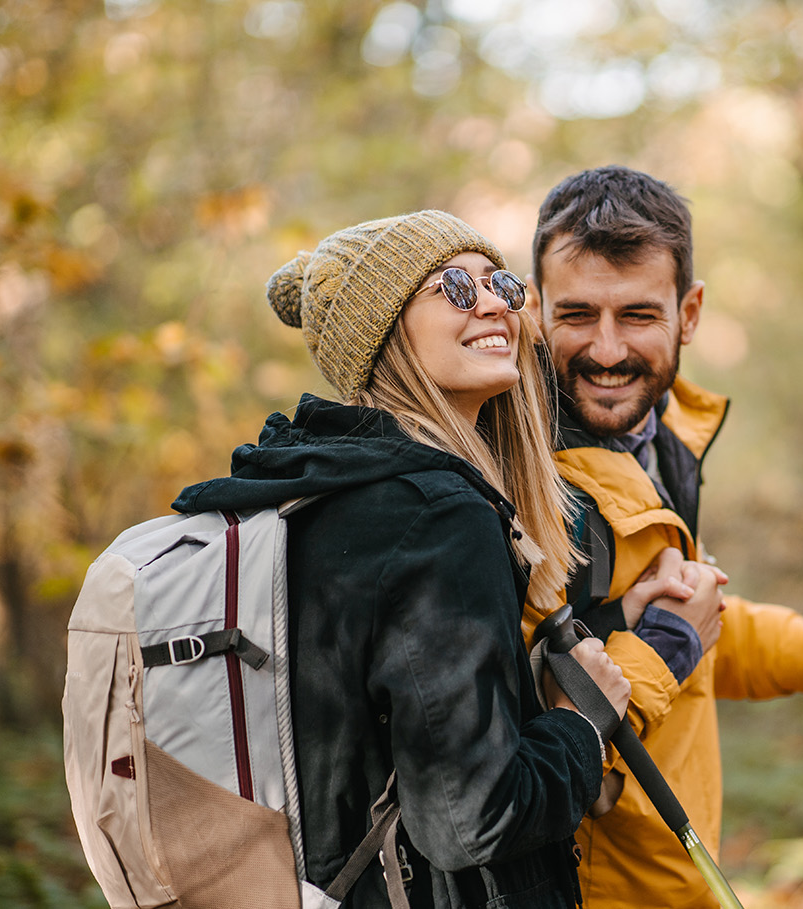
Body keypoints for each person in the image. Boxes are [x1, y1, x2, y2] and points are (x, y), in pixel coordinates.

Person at [171, 210, 631, 908]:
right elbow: (473, 818)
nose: (493, 305)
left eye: (500, 283)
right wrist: (579, 725)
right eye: (451, 286)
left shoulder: (315, 495)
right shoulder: (437, 518)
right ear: (380, 335)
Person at [520, 166, 803, 908]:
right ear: (536, 310)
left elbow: (695, 628)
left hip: (672, 881)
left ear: (689, 312)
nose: (606, 350)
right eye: (577, 314)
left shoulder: (659, 443)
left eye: (637, 314)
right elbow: (519, 721)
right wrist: (664, 641)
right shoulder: (524, 473)